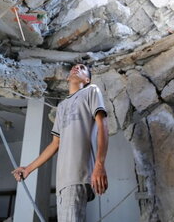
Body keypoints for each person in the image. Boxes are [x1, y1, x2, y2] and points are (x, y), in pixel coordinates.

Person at [12, 63, 109, 221]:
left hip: (78, 174)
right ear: (67, 77)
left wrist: (99, 165)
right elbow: (55, 143)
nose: (76, 68)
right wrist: (28, 169)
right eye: (74, 67)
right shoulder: (62, 106)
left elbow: (102, 125)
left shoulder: (91, 91)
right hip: (63, 182)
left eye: (82, 67)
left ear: (87, 79)